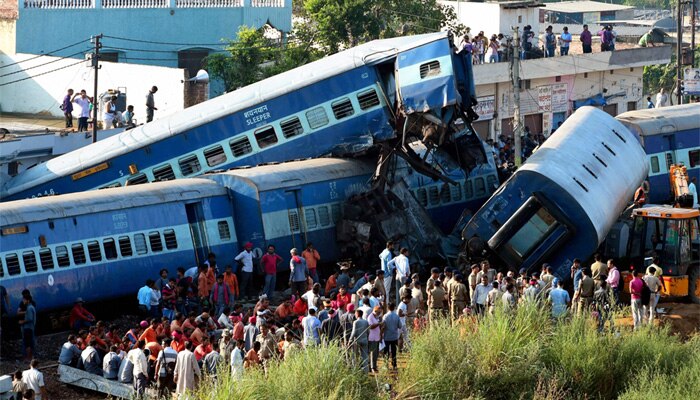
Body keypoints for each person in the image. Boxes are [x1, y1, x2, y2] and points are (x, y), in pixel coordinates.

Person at [19, 296, 36, 360]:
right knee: (30, 343)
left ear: (28, 300)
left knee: (27, 343)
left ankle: (28, 358)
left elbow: (29, 318)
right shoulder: (32, 307)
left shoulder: (29, 308)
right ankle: (31, 357)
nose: (23, 301)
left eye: (24, 300)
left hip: (27, 328)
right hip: (31, 327)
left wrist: (22, 322)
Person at [367, 306, 382, 373]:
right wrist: (378, 323)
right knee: (373, 353)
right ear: (375, 311)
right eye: (378, 312)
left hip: (376, 337)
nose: (379, 313)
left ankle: (374, 366)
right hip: (372, 337)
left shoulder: (376, 317)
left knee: (376, 353)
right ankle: (372, 367)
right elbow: (371, 326)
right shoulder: (370, 317)